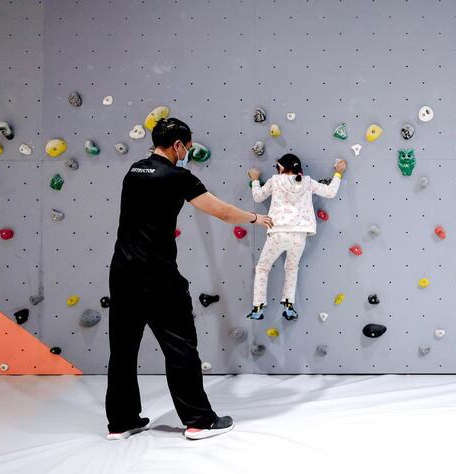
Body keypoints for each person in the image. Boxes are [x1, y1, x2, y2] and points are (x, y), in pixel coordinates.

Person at [106, 117, 273, 440]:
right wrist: (256, 217)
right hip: (158, 277)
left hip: (123, 273)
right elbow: (222, 211)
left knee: (123, 351)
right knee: (180, 347)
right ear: (178, 145)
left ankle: (121, 422)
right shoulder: (178, 176)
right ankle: (199, 421)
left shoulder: (134, 171)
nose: (189, 151)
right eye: (188, 145)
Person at [246, 154, 347, 320]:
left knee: (263, 268)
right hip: (299, 234)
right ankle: (288, 307)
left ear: (282, 168)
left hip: (277, 231)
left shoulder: (275, 181)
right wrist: (338, 173)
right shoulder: (307, 182)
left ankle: (258, 308)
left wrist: (255, 179)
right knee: (292, 268)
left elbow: (258, 197)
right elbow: (330, 192)